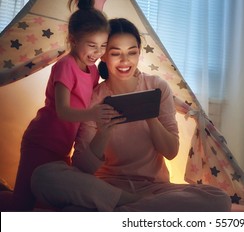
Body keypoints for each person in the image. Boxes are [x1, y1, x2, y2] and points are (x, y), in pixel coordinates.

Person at [31, 18, 232, 212]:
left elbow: (171, 151)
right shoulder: (96, 98)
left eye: (132, 52)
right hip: (106, 187)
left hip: (155, 189)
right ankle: (126, 204)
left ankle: (114, 211)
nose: (125, 61)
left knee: (218, 199)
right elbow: (83, 169)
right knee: (43, 176)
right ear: (104, 55)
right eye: (116, 53)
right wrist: (103, 133)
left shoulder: (157, 87)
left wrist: (149, 115)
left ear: (139, 54)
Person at [0, 0, 117, 211]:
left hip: (63, 150)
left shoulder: (92, 72)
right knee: (22, 206)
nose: (97, 52)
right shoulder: (66, 66)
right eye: (92, 45)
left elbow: (87, 104)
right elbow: (63, 111)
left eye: (102, 46)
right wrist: (94, 114)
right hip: (40, 143)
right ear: (73, 40)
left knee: (47, 204)